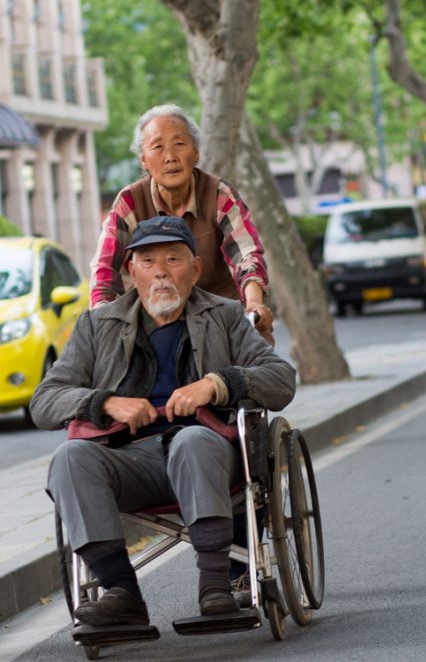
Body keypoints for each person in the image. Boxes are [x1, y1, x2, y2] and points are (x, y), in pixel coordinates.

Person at [31, 216, 296, 626]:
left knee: (192, 440)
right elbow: (44, 401)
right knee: (70, 458)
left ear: (194, 269)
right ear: (130, 271)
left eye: (173, 259)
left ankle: (215, 586)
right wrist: (105, 403)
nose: (160, 272)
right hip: (127, 460)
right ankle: (121, 592)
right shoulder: (96, 325)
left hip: (207, 457)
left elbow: (281, 380)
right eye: (148, 260)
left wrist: (218, 384)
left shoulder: (225, 316)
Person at [89, 103, 275, 345]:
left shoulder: (219, 193)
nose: (170, 157)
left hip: (220, 319)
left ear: (195, 152)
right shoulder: (129, 201)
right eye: (157, 147)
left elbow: (247, 255)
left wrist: (253, 304)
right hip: (153, 324)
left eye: (179, 144)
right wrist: (104, 324)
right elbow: (105, 270)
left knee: (260, 369)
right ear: (143, 159)